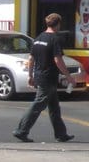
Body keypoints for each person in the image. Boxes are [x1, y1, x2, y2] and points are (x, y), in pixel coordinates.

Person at [13, 13, 75, 143]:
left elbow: (31, 58)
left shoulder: (39, 38)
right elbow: (58, 60)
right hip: (48, 78)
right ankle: (21, 130)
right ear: (58, 24)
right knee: (37, 105)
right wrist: (68, 76)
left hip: (40, 76)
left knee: (54, 108)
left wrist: (30, 75)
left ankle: (61, 134)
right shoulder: (55, 39)